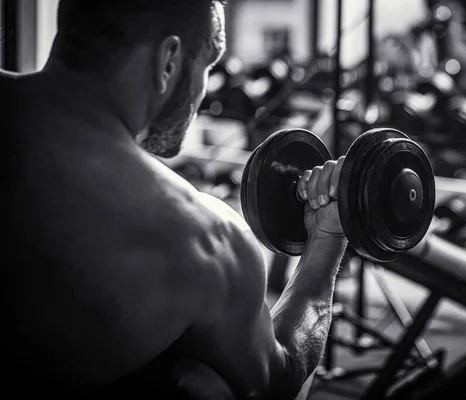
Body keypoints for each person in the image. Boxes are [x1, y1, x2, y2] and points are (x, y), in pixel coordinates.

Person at [2, 0, 348, 398]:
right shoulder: (204, 240)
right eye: (206, 64)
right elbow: (280, 375)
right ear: (168, 61)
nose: (202, 89)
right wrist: (327, 239)